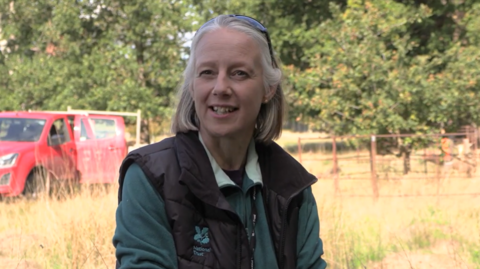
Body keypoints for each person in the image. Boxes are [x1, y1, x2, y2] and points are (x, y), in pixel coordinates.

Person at [113, 14, 327, 269]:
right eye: (207, 72)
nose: (221, 87)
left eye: (239, 73)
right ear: (192, 86)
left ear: (268, 88)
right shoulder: (151, 177)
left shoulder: (292, 185)